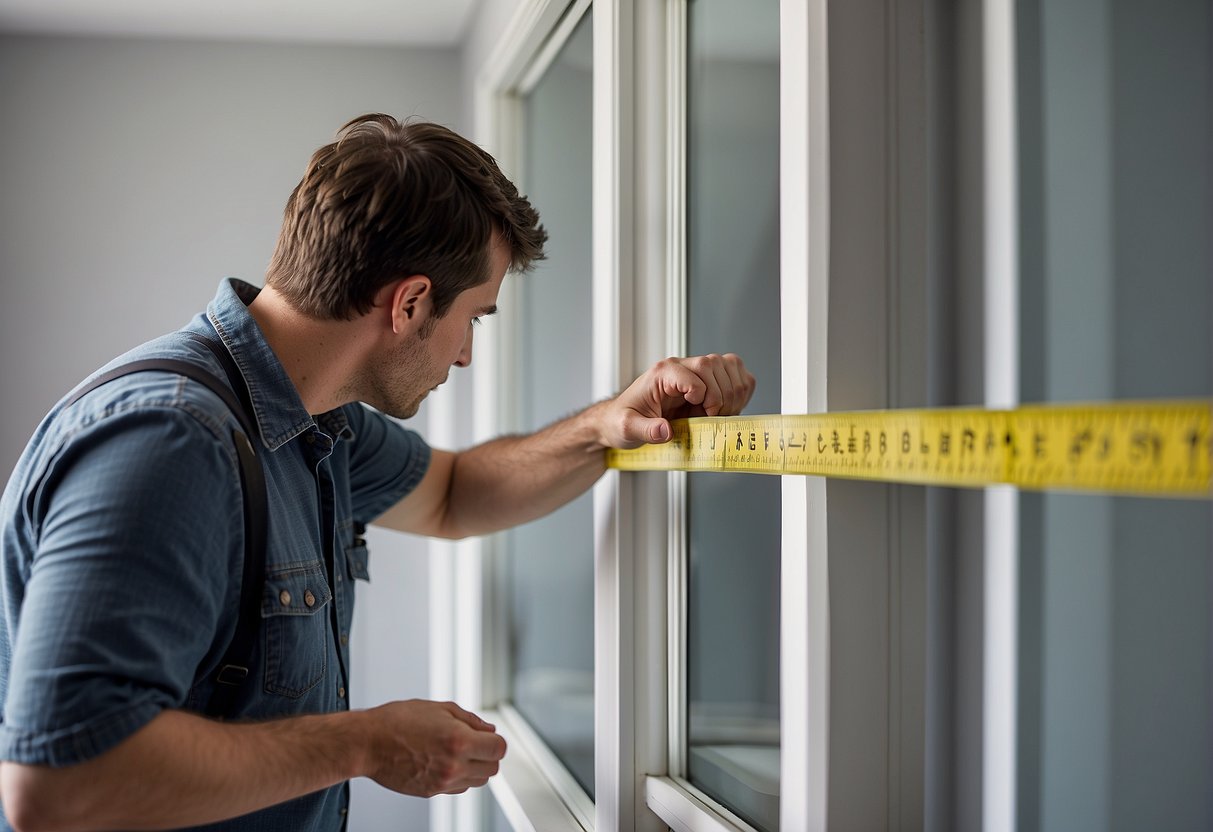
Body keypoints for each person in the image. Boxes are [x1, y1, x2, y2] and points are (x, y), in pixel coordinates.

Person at [0, 113, 754, 831]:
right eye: (474, 319)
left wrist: (605, 426)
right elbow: (62, 781)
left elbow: (457, 496)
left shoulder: (317, 420)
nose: (463, 354)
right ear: (411, 302)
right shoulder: (172, 443)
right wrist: (366, 744)